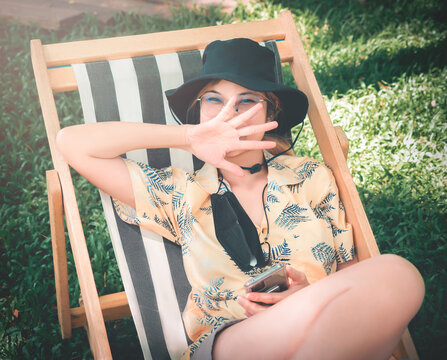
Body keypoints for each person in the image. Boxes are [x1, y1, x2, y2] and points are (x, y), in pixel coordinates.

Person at [56, 38, 424, 360]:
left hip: (321, 326)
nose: (228, 115)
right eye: (213, 100)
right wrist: (189, 137)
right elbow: (71, 143)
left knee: (398, 272)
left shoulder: (310, 177)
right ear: (198, 111)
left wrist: (306, 294)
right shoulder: (178, 193)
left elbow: (350, 273)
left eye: (246, 101)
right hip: (235, 341)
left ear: (271, 113)